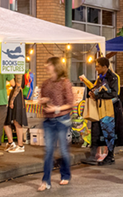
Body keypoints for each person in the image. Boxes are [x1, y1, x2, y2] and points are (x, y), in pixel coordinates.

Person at [81, 57, 123, 166]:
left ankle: (110, 156)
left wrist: (97, 95)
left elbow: (114, 93)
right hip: (100, 107)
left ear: (104, 67)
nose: (96, 68)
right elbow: (96, 88)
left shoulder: (113, 77)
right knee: (96, 131)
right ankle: (93, 155)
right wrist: (92, 91)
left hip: (110, 109)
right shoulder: (100, 78)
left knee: (109, 132)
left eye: (98, 66)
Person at [38, 57, 74, 191]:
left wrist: (56, 109)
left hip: (62, 120)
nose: (46, 66)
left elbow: (71, 104)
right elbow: (44, 98)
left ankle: (65, 174)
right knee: (48, 151)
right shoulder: (45, 83)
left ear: (55, 66)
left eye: (49, 64)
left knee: (63, 150)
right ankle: (45, 181)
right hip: (48, 120)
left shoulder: (65, 83)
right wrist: (43, 101)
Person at [3, 74, 28, 153]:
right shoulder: (8, 69)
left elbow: (18, 85)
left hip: (16, 97)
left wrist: (12, 100)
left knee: (17, 120)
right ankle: (11, 143)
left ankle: (20, 145)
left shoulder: (18, 71)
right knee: (5, 119)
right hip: (9, 95)